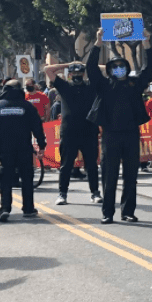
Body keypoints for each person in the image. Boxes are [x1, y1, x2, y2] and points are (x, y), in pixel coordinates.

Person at [86, 28, 152, 224]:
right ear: (109, 70)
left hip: (131, 134)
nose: (118, 69)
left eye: (121, 66)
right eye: (114, 67)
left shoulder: (135, 83)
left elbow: (149, 71)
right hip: (110, 135)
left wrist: (147, 43)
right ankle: (108, 213)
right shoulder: (104, 85)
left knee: (131, 176)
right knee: (109, 176)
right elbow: (91, 69)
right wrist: (98, 42)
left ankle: (128, 212)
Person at [0, 80, 46, 222]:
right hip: (24, 148)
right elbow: (37, 127)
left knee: (5, 179)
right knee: (27, 178)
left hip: (5, 148)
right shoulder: (27, 106)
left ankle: (5, 208)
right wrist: (41, 145)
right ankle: (28, 209)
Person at [45, 61, 101, 205]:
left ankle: (95, 193)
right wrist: (68, 64)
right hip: (69, 132)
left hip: (89, 130)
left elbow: (108, 70)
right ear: (69, 75)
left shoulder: (91, 86)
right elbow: (48, 69)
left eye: (79, 73)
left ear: (84, 74)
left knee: (92, 165)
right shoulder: (64, 86)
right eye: (74, 73)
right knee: (66, 165)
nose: (76, 76)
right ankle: (62, 194)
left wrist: (88, 65)